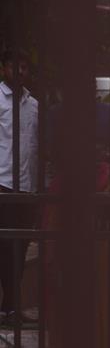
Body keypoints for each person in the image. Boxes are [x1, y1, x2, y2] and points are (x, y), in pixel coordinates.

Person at [0, 49, 38, 323]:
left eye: (24, 67)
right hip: (1, 183)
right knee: (4, 246)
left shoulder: (33, 105)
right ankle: (7, 306)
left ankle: (12, 306)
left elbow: (35, 147)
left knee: (21, 246)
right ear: (4, 69)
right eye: (15, 66)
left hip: (26, 187)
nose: (20, 72)